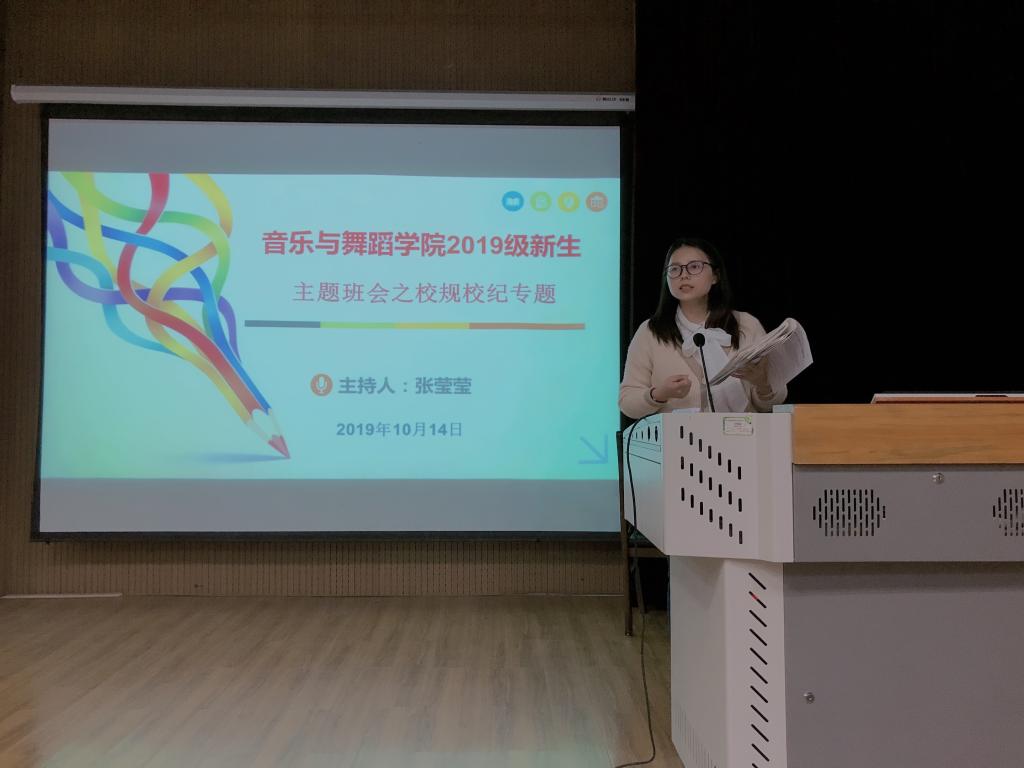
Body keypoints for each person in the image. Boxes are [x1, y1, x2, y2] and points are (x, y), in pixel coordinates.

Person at [619, 236, 787, 419]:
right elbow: (627, 403)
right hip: (680, 436)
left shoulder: (746, 325)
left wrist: (762, 382)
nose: (683, 275)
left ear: (715, 276)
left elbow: (774, 401)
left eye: (694, 267)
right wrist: (659, 394)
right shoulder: (650, 332)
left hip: (745, 434)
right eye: (674, 269)